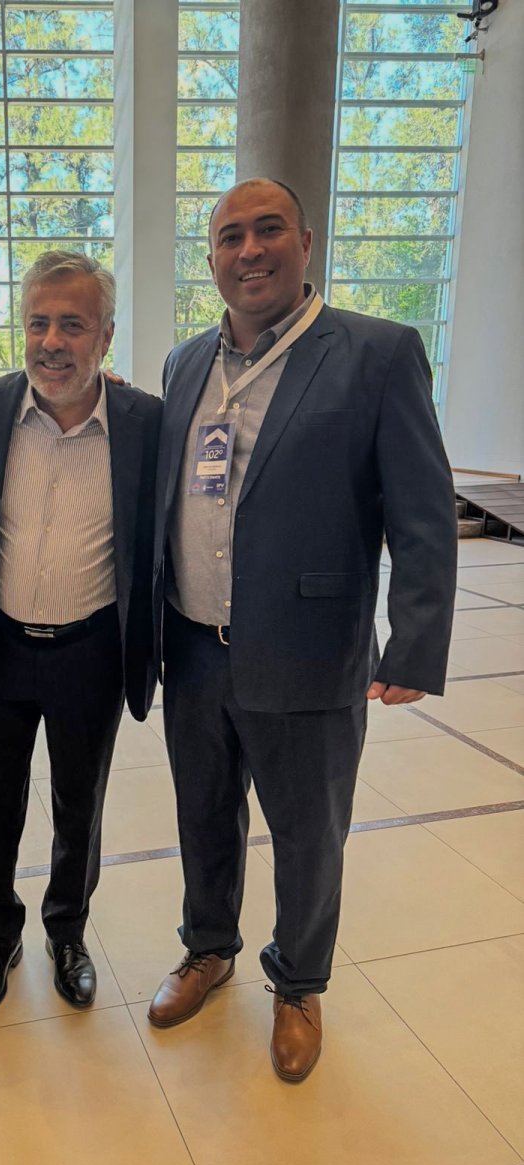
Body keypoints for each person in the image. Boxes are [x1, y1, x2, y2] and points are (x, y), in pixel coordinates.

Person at [148, 178, 457, 1081]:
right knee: (203, 815)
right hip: (193, 645)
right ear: (211, 258)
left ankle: (298, 982)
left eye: (268, 229)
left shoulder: (377, 353)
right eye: (229, 236)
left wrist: (416, 640)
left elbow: (423, 512)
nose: (249, 250)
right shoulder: (184, 363)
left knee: (309, 833)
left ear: (306, 242)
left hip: (311, 650)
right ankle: (208, 948)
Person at [0, 251, 162, 1019]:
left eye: (72, 325)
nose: (51, 341)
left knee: (80, 804)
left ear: (105, 336)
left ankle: (66, 933)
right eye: (38, 322)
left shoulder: (146, 423)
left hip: (90, 653)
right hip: (0, 649)